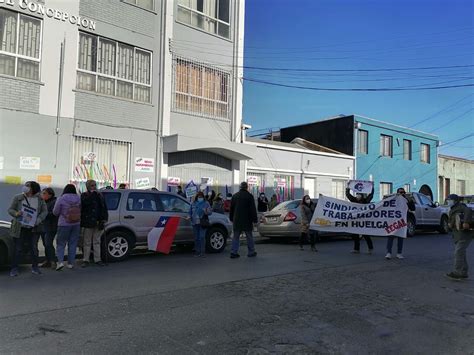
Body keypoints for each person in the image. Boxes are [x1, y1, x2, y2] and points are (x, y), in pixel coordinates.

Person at [8, 181, 48, 277]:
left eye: (28, 186)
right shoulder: (18, 198)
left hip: (34, 228)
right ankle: (14, 268)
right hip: (20, 227)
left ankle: (35, 267)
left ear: (33, 189)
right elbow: (10, 209)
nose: (25, 187)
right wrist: (16, 213)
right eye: (25, 185)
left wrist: (38, 220)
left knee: (33, 248)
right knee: (18, 248)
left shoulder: (40, 199)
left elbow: (44, 211)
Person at [53, 184, 81, 270]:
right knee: (72, 243)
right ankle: (70, 263)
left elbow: (55, 212)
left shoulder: (61, 199)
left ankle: (60, 262)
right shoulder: (79, 198)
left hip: (64, 224)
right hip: (76, 223)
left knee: (61, 243)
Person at [81, 179, 108, 267]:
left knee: (97, 241)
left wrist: (104, 219)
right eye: (92, 185)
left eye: (95, 185)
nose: (94, 187)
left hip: (98, 221)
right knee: (87, 242)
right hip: (88, 222)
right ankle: (86, 259)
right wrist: (91, 195)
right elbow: (84, 204)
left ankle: (98, 259)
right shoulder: (84, 195)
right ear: (88, 186)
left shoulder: (100, 195)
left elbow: (104, 207)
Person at [445, 194, 473, 280]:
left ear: (455, 201)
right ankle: (463, 272)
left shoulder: (461, 206)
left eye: (450, 200)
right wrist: (450, 225)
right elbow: (453, 222)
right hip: (458, 234)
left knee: (458, 252)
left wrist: (466, 222)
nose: (448, 202)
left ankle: (457, 272)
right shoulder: (451, 210)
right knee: (461, 253)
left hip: (465, 234)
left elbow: (468, 210)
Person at [229, 182, 258, 259]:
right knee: (249, 236)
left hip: (237, 220)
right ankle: (251, 252)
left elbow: (231, 209)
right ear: (246, 187)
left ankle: (233, 252)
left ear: (240, 187)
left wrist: (231, 218)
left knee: (236, 237)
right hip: (247, 220)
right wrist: (255, 220)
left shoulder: (235, 196)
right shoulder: (249, 196)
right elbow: (253, 209)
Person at [385, 187, 415, 260]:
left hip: (402, 222)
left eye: (403, 192)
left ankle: (399, 253)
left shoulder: (406, 200)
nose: (402, 194)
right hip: (393, 221)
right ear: (397, 193)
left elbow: (413, 208)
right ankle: (389, 253)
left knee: (400, 238)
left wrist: (410, 201)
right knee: (390, 237)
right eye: (400, 192)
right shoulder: (394, 200)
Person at [346, 185, 374, 254]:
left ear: (362, 196)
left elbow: (371, 195)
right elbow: (348, 195)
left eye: (359, 195)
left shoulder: (365, 201)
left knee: (366, 235)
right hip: (355, 221)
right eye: (357, 194)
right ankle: (356, 249)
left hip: (363, 221)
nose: (358, 196)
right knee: (355, 235)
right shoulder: (353, 200)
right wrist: (348, 188)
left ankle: (370, 248)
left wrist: (372, 188)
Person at [39, 188, 58, 269]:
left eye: (44, 193)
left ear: (50, 195)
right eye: (42, 193)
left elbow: (54, 213)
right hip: (43, 226)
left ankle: (53, 261)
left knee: (48, 243)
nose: (42, 195)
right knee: (45, 244)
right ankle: (48, 260)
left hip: (51, 226)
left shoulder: (54, 202)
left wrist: (43, 214)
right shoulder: (42, 202)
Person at [189, 191, 212, 257]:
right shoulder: (193, 203)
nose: (200, 198)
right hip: (194, 222)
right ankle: (197, 252)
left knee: (201, 237)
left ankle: (202, 252)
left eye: (201, 197)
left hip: (203, 223)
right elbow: (190, 211)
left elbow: (210, 212)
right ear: (197, 197)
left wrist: (206, 211)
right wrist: (189, 216)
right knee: (196, 238)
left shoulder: (206, 203)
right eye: (199, 197)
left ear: (203, 197)